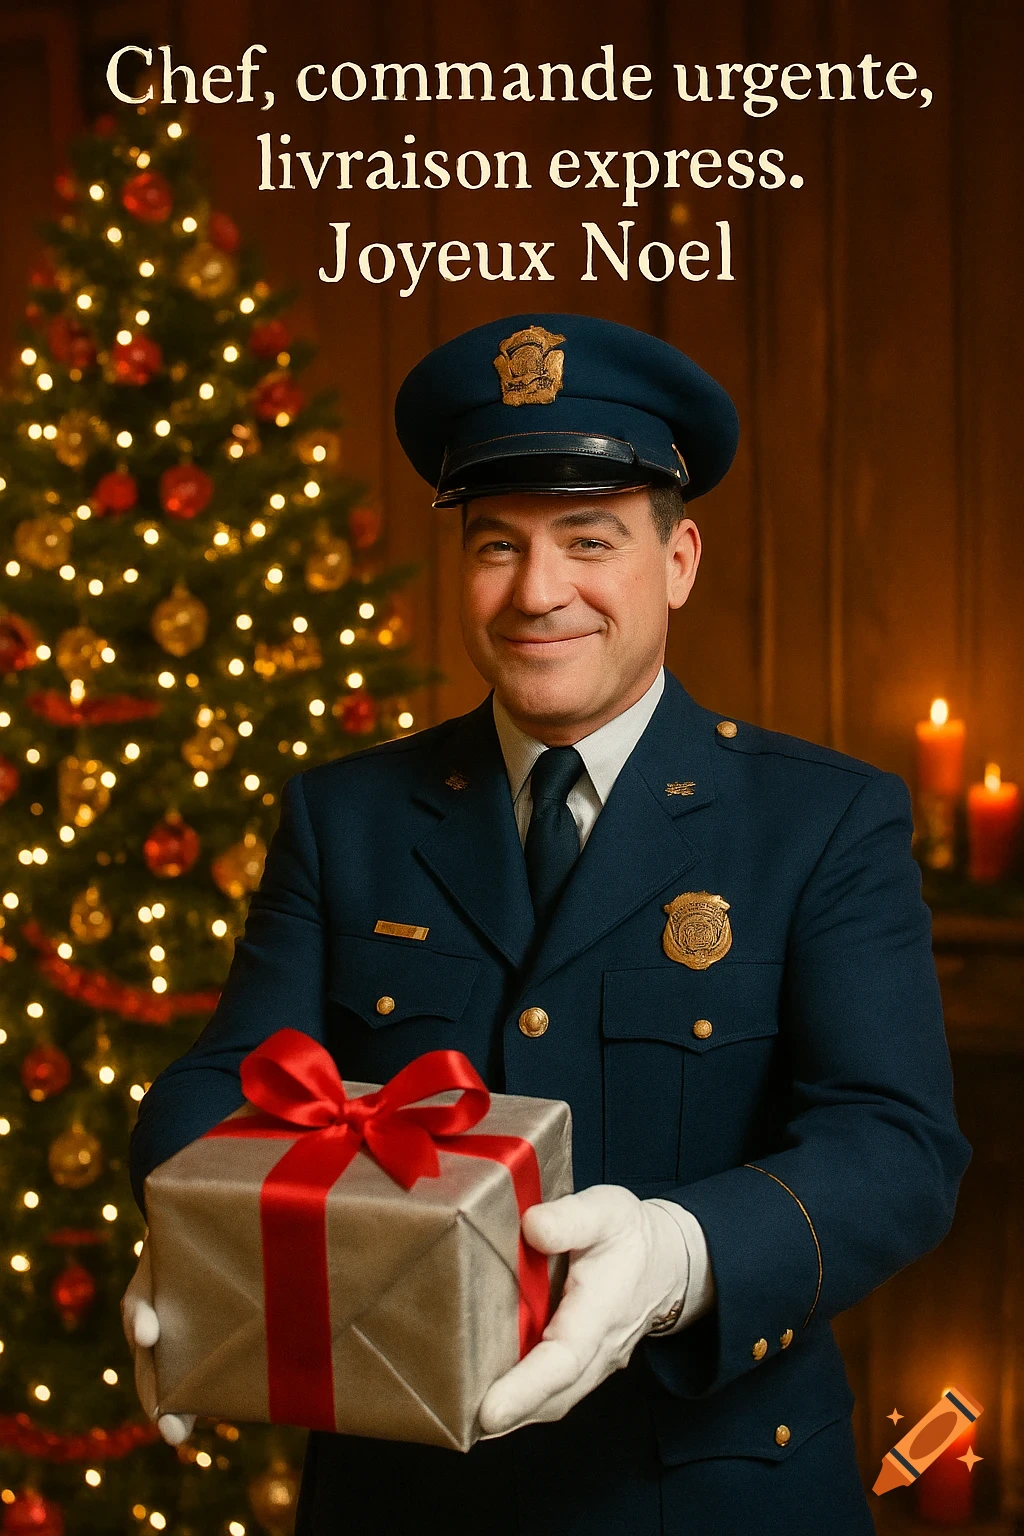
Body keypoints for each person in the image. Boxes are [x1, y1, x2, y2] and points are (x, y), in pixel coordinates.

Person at [123, 313, 972, 1536]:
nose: (538, 592)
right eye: (494, 547)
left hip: (711, 1491)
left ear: (677, 559)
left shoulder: (822, 820)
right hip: (404, 1488)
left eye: (589, 540)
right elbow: (223, 1079)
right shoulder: (346, 815)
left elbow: (895, 1145)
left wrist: (678, 1256)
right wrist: (195, 1220)